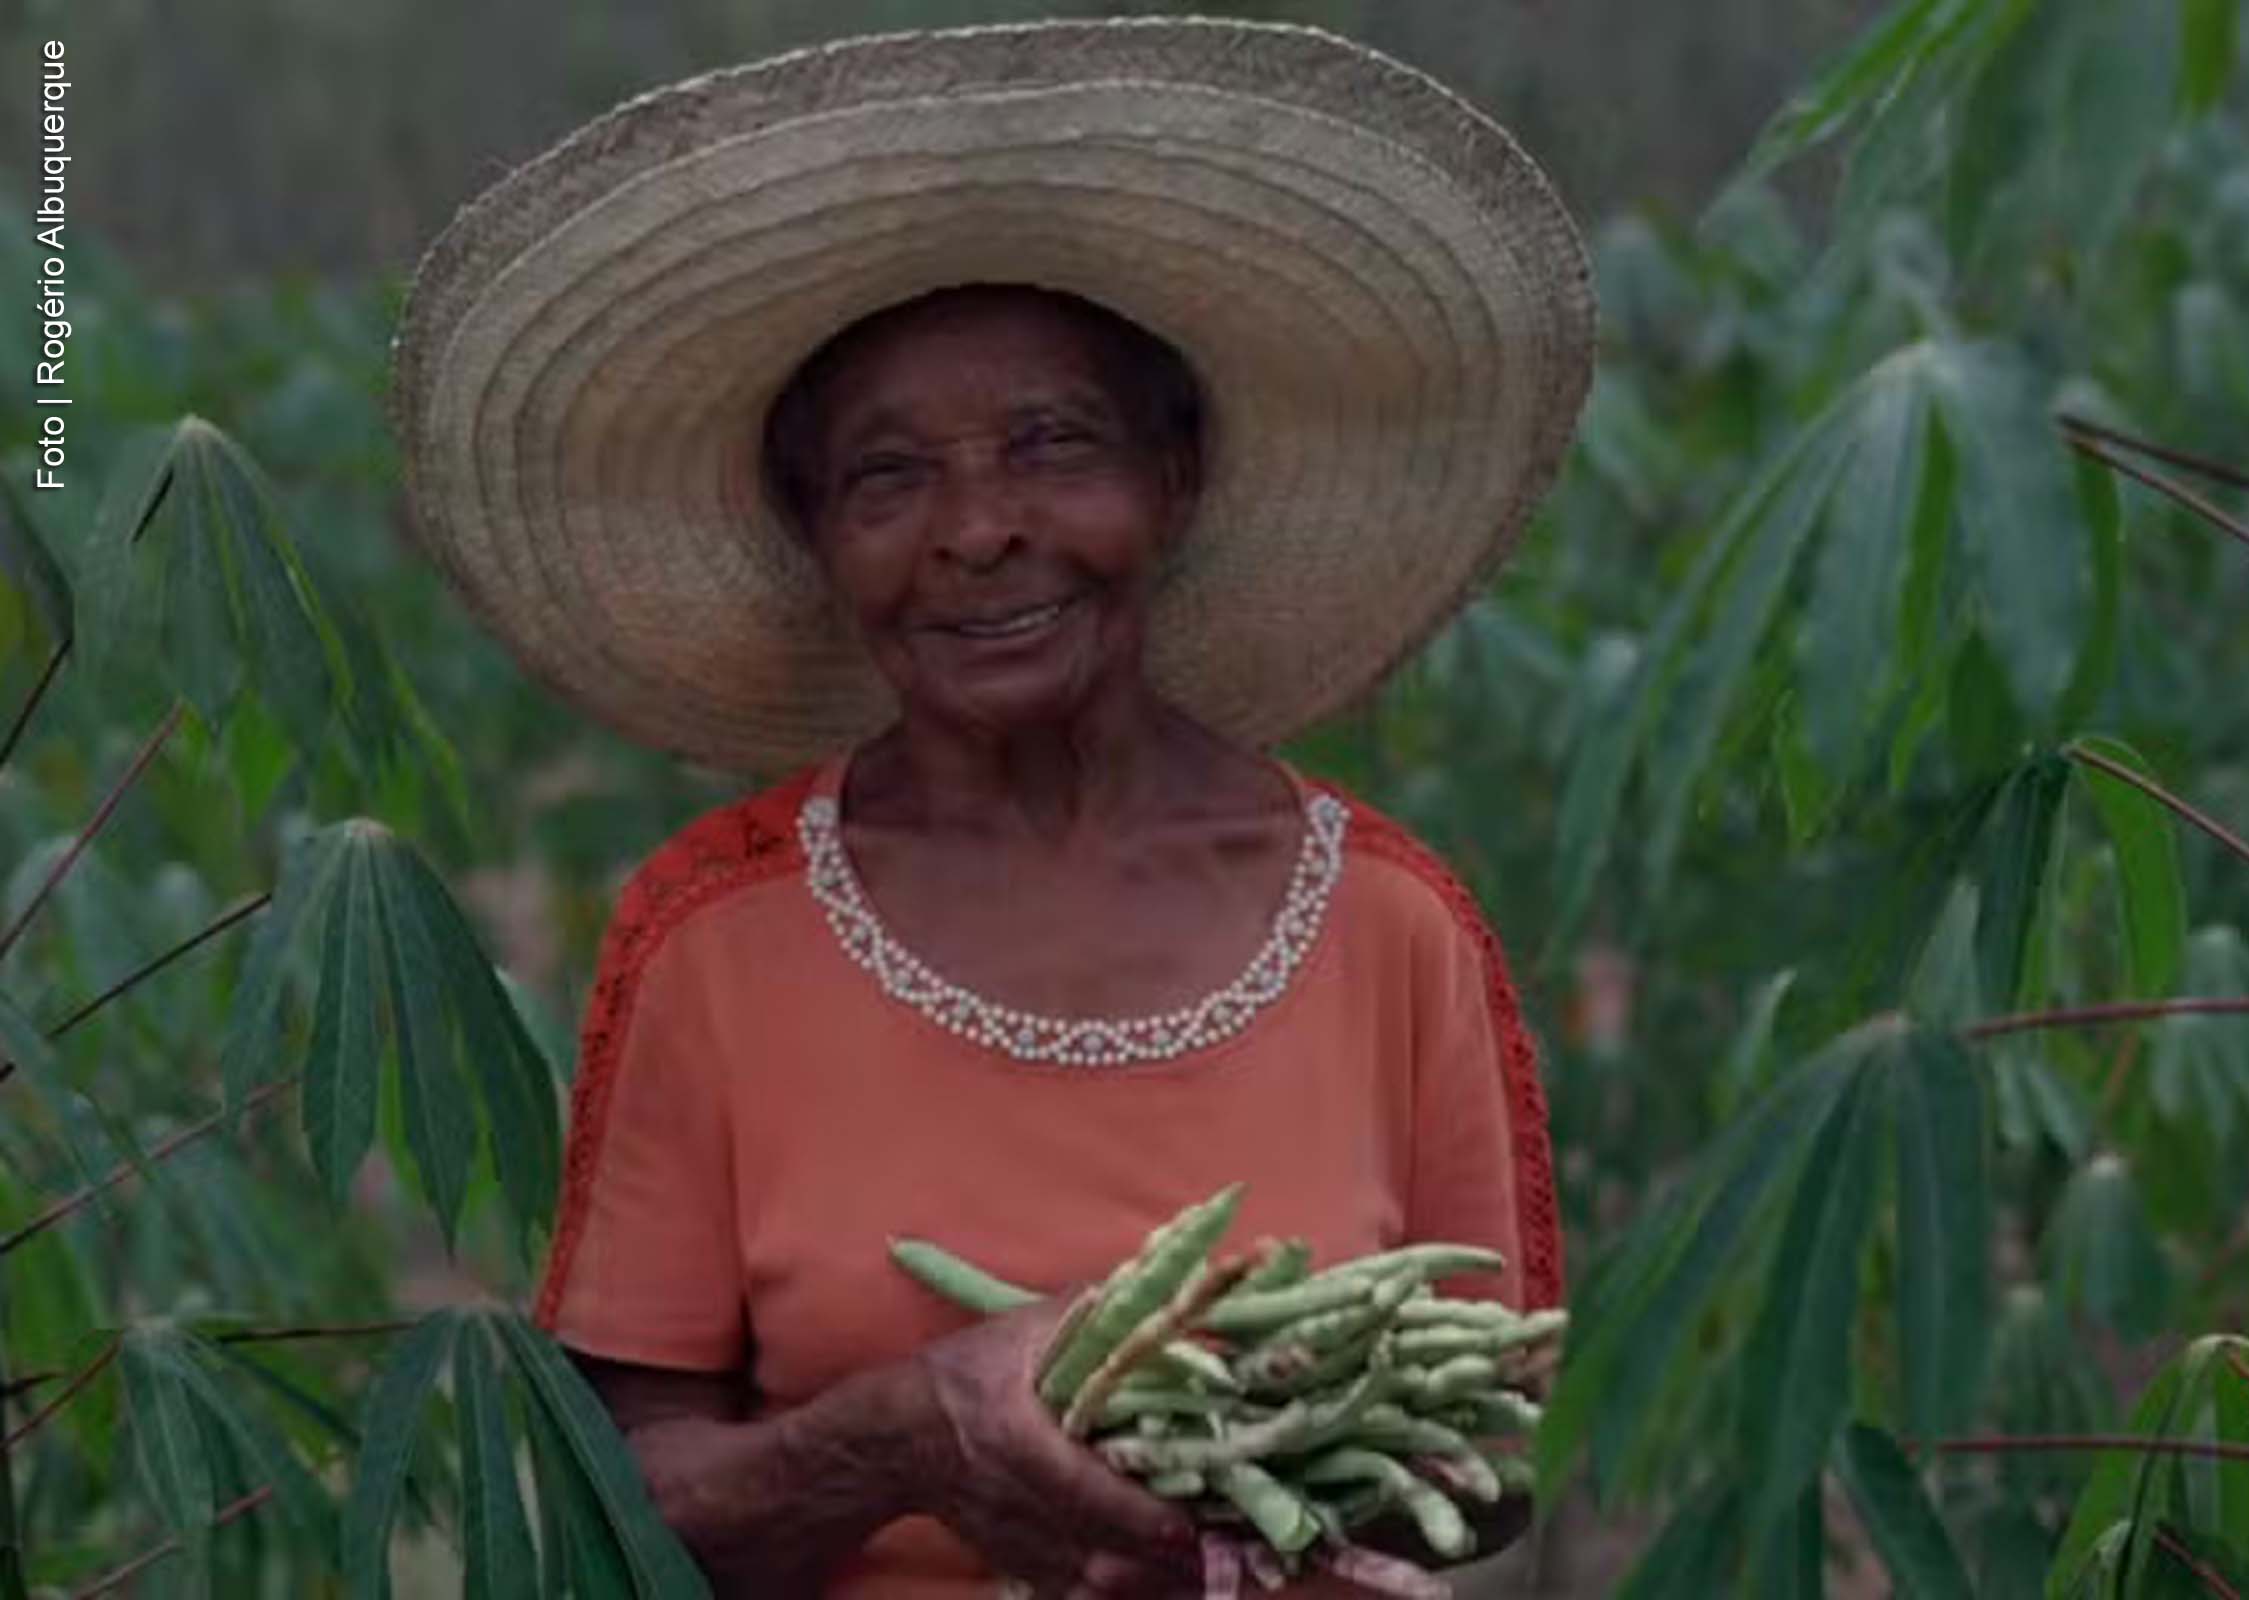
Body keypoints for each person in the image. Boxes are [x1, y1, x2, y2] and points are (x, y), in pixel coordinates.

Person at [390, 18, 1593, 1597]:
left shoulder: (1393, 925)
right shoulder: (714, 939)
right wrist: (896, 1434)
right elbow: (622, 1501)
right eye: (889, 481)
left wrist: (1236, 1495)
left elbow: (1493, 1449)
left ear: (1174, 478)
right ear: (818, 540)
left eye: (1053, 445)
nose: (977, 532)